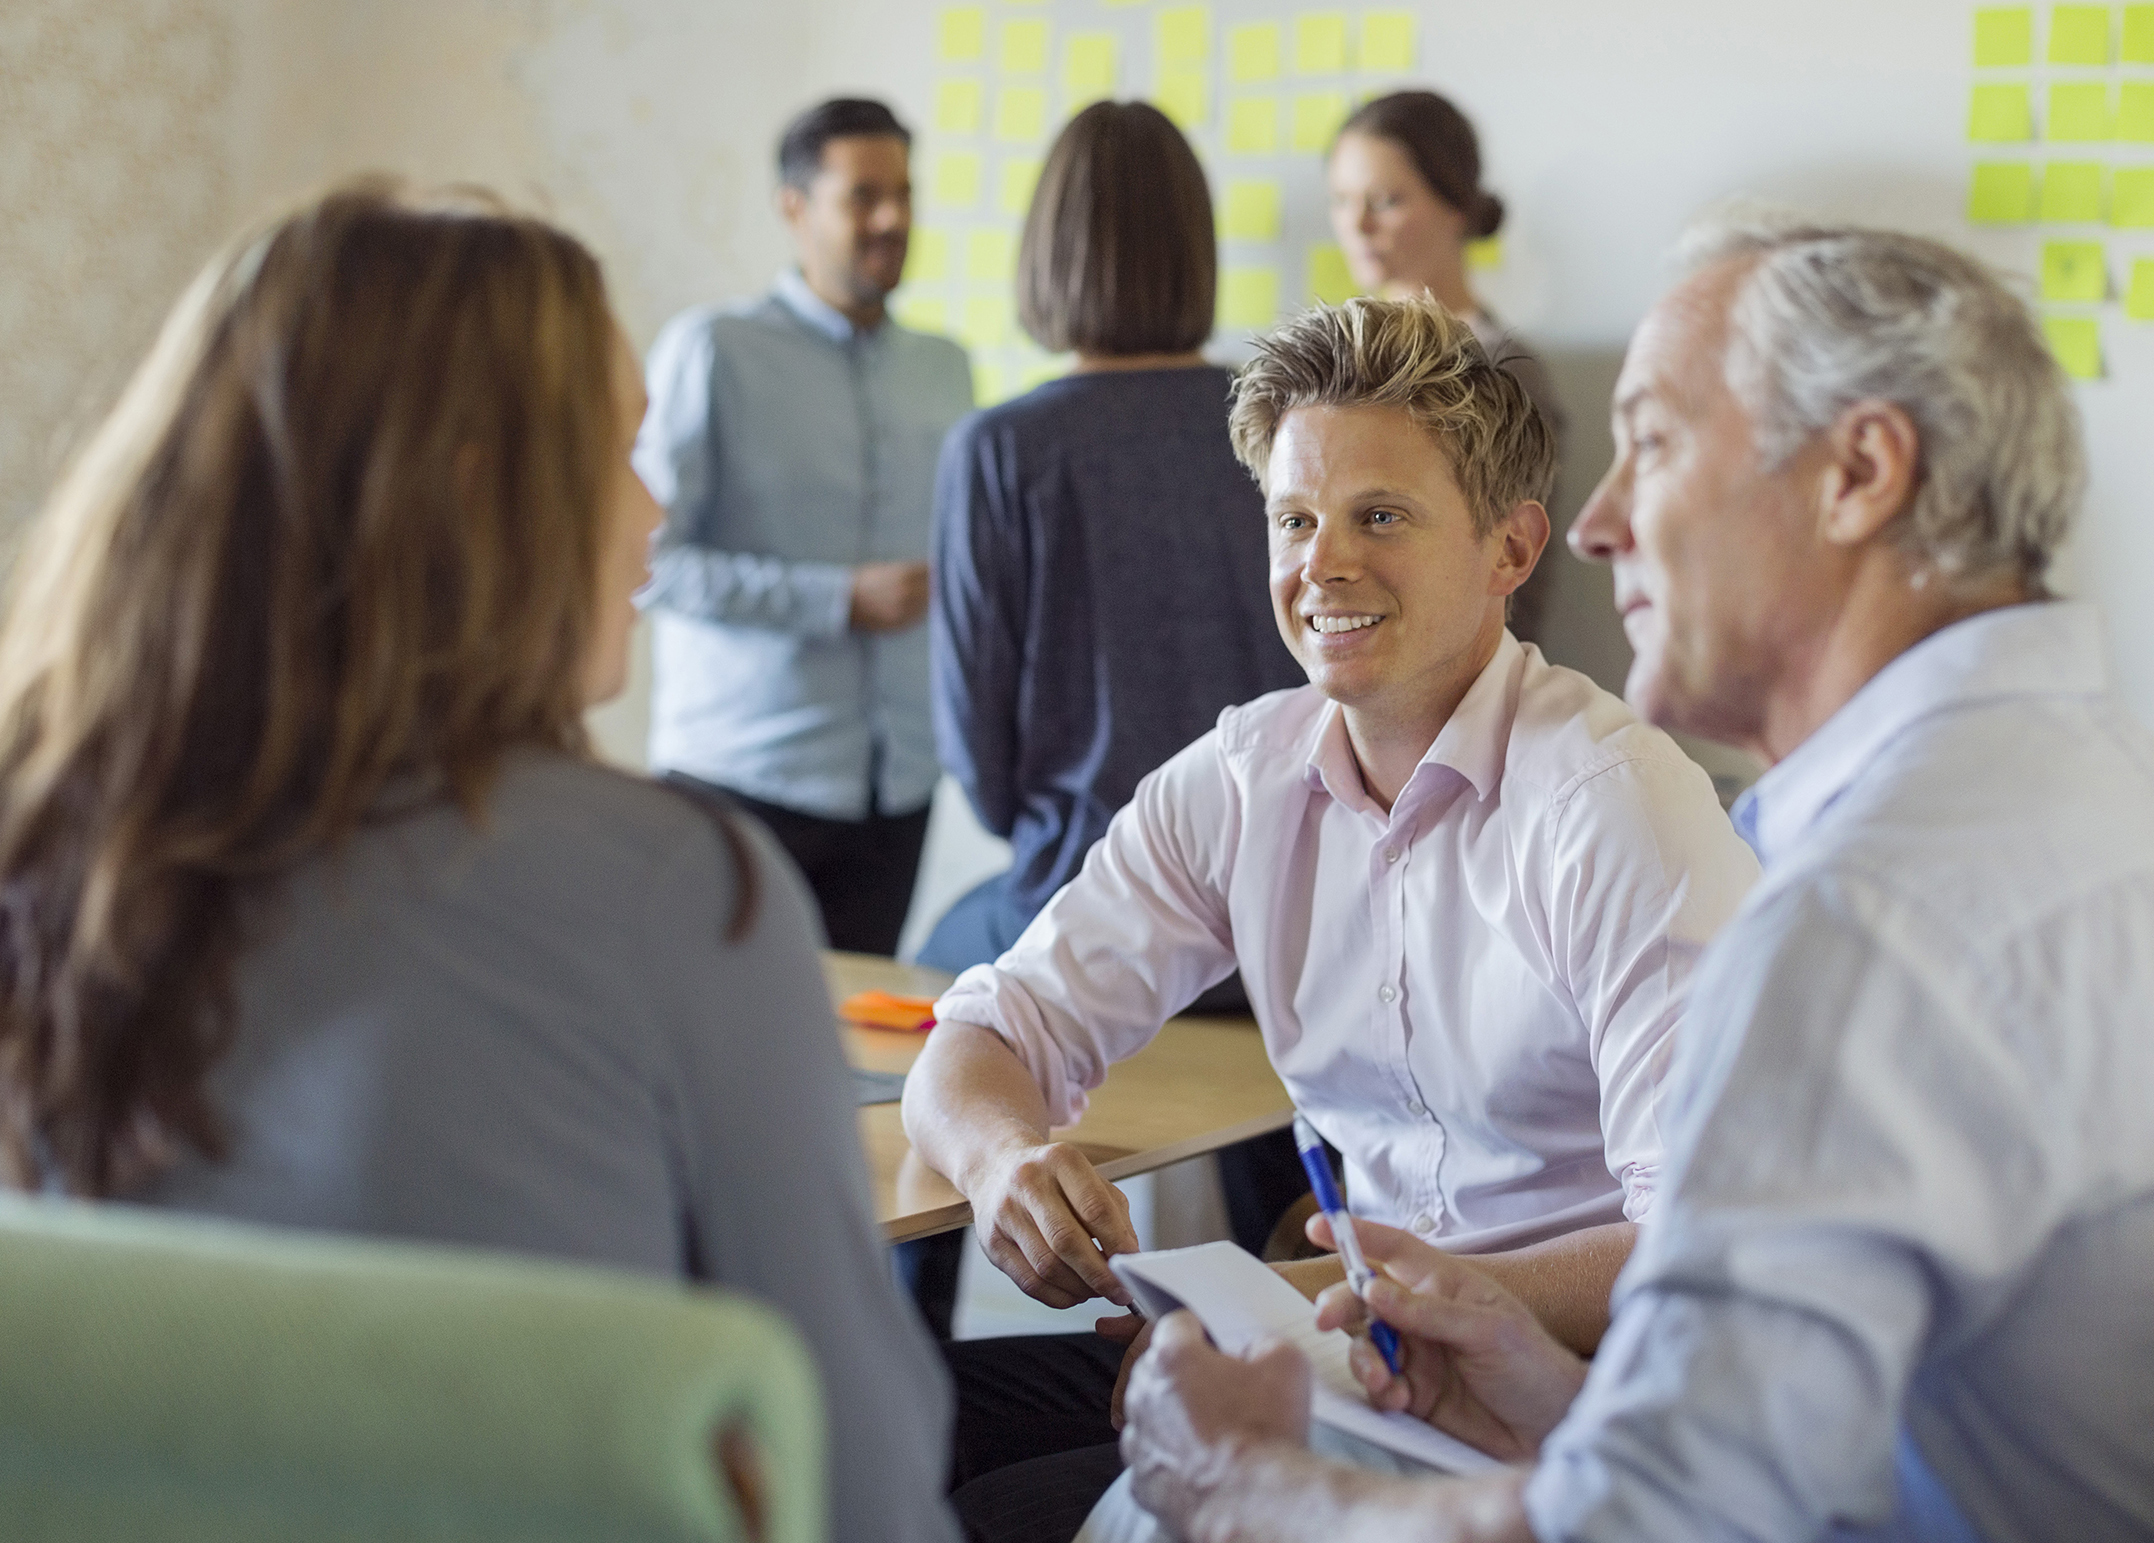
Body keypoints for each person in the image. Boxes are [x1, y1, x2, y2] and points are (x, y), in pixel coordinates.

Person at [1116, 216, 2154, 1542]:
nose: (1599, 527)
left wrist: (1244, 1488)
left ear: (1859, 471)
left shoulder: (1863, 923)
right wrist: (1540, 1379)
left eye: (1655, 444)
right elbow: (1797, 1456)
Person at [0, 183, 958, 1543]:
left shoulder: (40, 847)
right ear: (469, 490)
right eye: (621, 456)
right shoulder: (677, 886)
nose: (654, 519)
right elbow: (861, 1486)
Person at [904, 295, 1760, 1540]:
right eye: (1295, 520)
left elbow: (1701, 1240)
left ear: (1512, 551)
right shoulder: (1246, 775)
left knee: (1002, 1516)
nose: (1325, 565)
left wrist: (1332, 1294)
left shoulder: (1613, 808)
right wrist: (1004, 1162)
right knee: (887, 1422)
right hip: (1338, 1345)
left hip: (1547, 1402)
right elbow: (982, 1033)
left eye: (1383, 517)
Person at [906, 100, 1312, 1342]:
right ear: (1196, 246)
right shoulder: (1278, 430)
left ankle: (906, 1355)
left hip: (1086, 908)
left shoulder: (1001, 450)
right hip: (1282, 926)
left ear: (1046, 251)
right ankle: (1274, 1314)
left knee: (936, 966)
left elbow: (979, 765)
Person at [638, 97, 974, 956]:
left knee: (853, 1062)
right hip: (742, 777)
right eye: (863, 195)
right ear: (794, 206)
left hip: (895, 784)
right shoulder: (713, 351)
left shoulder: (945, 370)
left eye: (903, 193)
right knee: (714, 1053)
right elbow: (646, 561)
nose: (893, 218)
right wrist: (837, 599)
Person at [1328, 90, 1568, 645]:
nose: (1357, 224)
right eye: (1341, 200)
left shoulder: (1503, 369)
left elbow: (1514, 592)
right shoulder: (1334, 359)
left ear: (1455, 204)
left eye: (1385, 200)